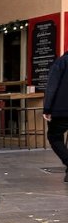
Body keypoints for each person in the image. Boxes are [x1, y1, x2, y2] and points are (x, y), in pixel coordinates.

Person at [42, 51, 68, 181]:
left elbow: (52, 86)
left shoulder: (62, 62)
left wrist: (47, 107)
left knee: (54, 136)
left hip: (62, 109)